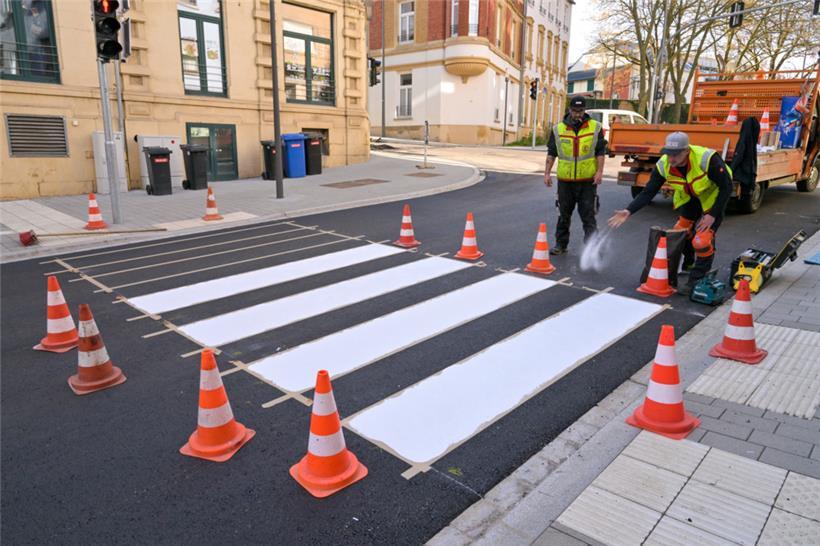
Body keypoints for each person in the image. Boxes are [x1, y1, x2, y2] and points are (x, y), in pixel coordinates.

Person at [608, 131, 733, 295]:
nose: (671, 158)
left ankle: (697, 279)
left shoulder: (706, 159)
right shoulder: (664, 164)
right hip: (689, 196)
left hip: (712, 195)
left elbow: (727, 187)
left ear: (686, 151)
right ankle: (688, 264)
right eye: (668, 153)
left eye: (675, 154)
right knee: (681, 232)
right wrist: (628, 210)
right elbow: (649, 191)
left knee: (702, 240)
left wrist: (712, 214)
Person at [543, 96, 606, 255]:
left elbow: (600, 152)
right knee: (563, 214)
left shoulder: (596, 128)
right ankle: (561, 245)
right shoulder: (558, 129)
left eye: (580, 111)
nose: (577, 114)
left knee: (588, 216)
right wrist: (547, 173)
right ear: (569, 110)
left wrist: (599, 172)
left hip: (587, 181)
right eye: (574, 111)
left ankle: (592, 248)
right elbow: (552, 153)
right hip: (565, 181)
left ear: (585, 110)